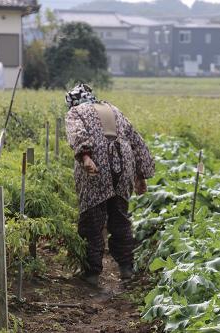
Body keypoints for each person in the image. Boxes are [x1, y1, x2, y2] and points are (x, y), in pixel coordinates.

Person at [65, 83, 155, 286]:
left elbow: (77, 134)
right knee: (120, 218)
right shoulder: (113, 109)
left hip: (97, 166)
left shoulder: (75, 112)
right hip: (124, 164)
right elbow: (136, 141)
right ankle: (126, 269)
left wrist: (86, 157)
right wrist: (141, 175)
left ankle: (91, 273)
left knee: (92, 221)